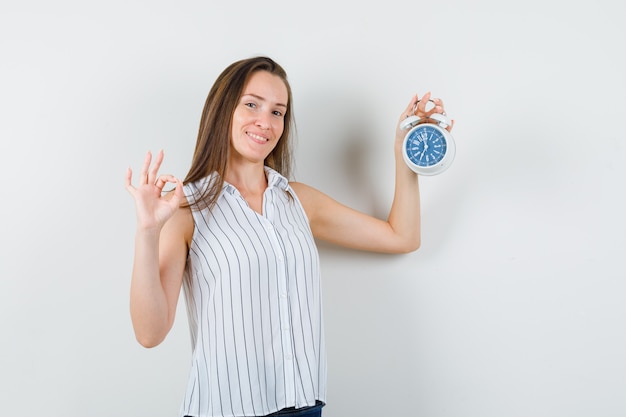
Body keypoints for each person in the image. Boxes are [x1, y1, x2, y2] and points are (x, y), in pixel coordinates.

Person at [125, 56, 453, 417]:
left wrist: (404, 150)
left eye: (278, 112)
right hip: (226, 410)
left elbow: (402, 237)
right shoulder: (187, 208)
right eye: (251, 104)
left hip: (304, 407)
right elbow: (149, 333)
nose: (265, 122)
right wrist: (147, 232)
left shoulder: (297, 200)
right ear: (223, 111)